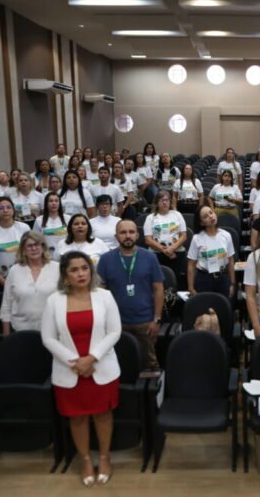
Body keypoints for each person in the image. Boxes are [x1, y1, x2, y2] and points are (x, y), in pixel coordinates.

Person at [41, 251, 121, 487]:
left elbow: (114, 331)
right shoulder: (54, 300)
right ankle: (85, 459)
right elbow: (48, 338)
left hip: (101, 366)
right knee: (77, 418)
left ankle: (104, 458)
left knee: (103, 414)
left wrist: (92, 358)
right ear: (65, 275)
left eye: (84, 268)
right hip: (70, 369)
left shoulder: (105, 296)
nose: (81, 274)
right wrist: (76, 362)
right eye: (74, 270)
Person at [98, 220, 164, 371]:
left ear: (137, 235)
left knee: (149, 366)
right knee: (119, 365)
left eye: (131, 232)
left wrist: (156, 320)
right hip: (116, 322)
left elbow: (158, 289)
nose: (127, 236)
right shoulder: (105, 259)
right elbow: (100, 291)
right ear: (116, 236)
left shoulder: (150, 257)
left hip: (145, 321)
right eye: (123, 232)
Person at [0, 232, 60, 334]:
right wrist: (7, 337)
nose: (34, 248)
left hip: (52, 330)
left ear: (43, 247)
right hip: (20, 330)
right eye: (29, 246)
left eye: (37, 244)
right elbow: (6, 305)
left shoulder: (57, 268)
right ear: (23, 250)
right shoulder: (14, 270)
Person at [186, 205, 236, 298]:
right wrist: (191, 287)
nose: (210, 216)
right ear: (201, 223)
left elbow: (231, 261)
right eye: (205, 216)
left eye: (211, 213)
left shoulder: (226, 235)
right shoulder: (197, 238)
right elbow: (191, 265)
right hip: (204, 278)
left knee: (223, 305)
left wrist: (232, 283)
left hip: (222, 277)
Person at [0, 196, 31, 286]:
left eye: (8, 207)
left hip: (24, 277)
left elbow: (31, 253)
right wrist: (3, 282)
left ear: (13, 210)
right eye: (1, 208)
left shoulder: (24, 228)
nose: (5, 210)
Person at [143, 191, 188, 285]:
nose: (164, 202)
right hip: (157, 253)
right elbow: (148, 240)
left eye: (166, 200)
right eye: (161, 200)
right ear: (157, 203)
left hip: (176, 252)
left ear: (170, 202)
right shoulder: (150, 218)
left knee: (178, 280)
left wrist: (172, 248)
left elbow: (184, 236)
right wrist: (164, 250)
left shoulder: (177, 214)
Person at [33, 192, 71, 258]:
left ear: (59, 203)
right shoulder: (39, 220)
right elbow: (35, 239)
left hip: (65, 254)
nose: (54, 203)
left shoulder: (68, 218)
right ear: (46, 204)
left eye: (56, 201)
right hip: (46, 255)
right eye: (51, 201)